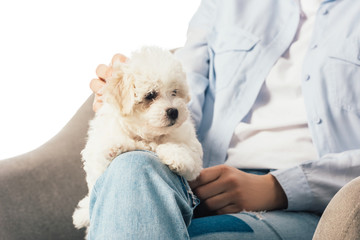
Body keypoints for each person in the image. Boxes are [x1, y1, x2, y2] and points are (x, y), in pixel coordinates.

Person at [88, 0, 360, 239]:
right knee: (132, 168)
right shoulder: (222, 4)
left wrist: (278, 188)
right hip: (195, 182)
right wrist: (134, 105)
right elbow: (185, 91)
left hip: (302, 207)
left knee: (133, 224)